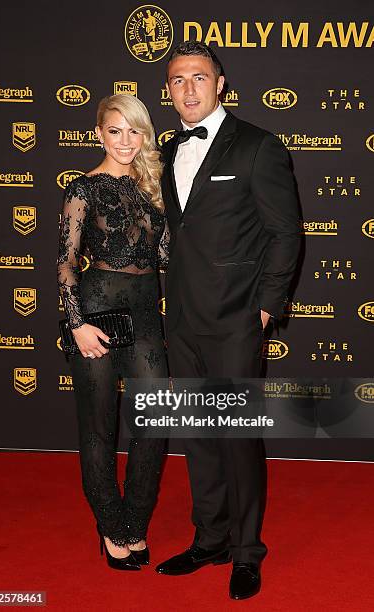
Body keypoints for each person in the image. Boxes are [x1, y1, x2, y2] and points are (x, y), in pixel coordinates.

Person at [155, 42, 301, 599]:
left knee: (237, 439)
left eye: (198, 77)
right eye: (176, 81)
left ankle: (246, 552)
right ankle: (210, 539)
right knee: (197, 438)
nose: (187, 89)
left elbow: (285, 233)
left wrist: (266, 303)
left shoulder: (259, 147)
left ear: (220, 84)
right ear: (167, 92)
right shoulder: (169, 149)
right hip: (184, 319)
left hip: (237, 317)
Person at [57, 94, 169, 571]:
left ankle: (135, 522)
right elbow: (65, 262)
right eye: (115, 130)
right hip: (97, 310)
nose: (125, 141)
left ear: (144, 135)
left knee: (155, 421)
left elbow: (165, 259)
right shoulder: (83, 190)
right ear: (99, 132)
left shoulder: (154, 190)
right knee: (100, 428)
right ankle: (111, 527)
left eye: (134, 131)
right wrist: (76, 323)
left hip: (145, 314)